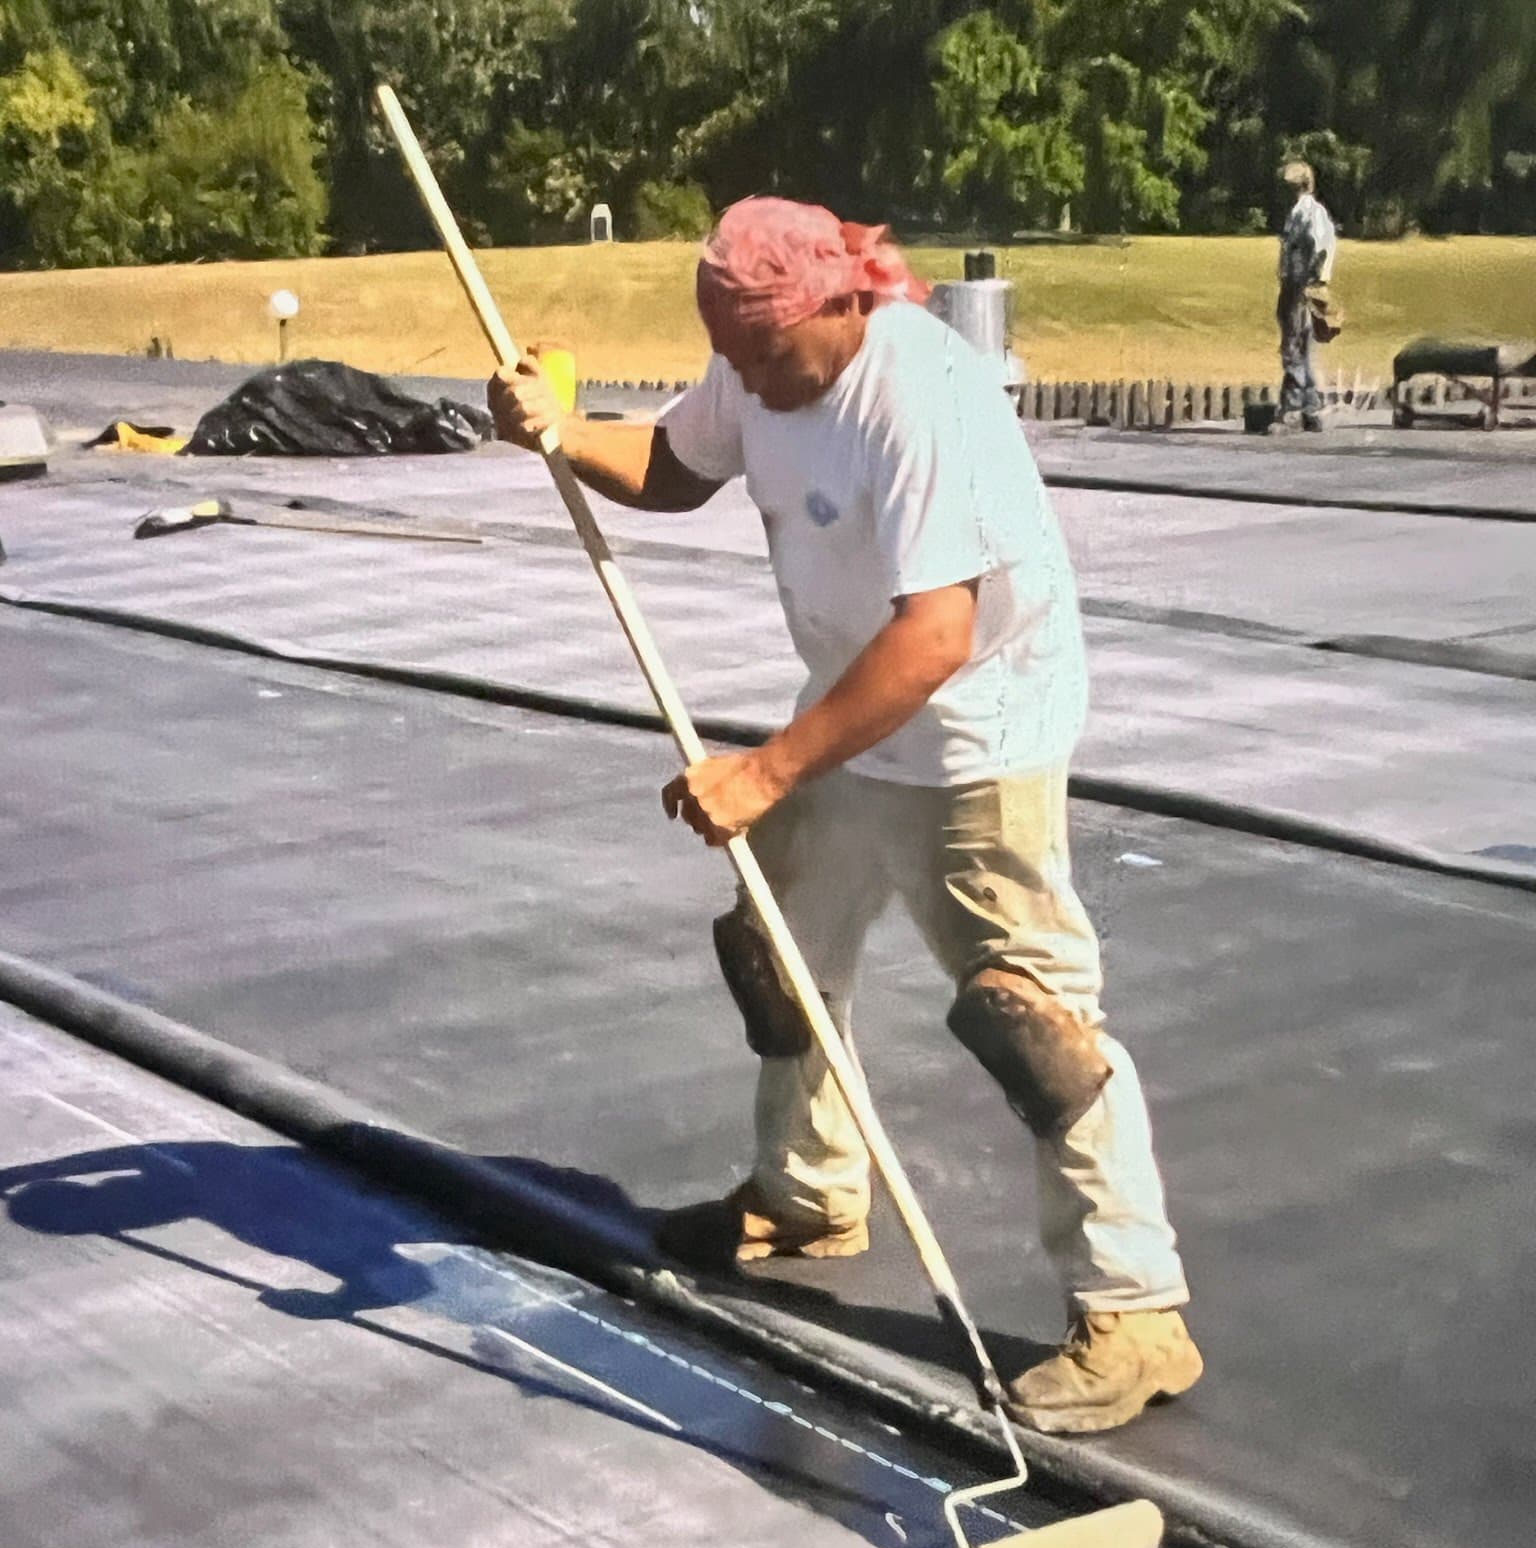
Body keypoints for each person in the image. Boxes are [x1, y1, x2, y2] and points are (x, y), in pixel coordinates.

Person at [487, 197, 1201, 1435]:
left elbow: (937, 636)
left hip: (980, 725)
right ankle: (811, 1191)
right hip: (850, 704)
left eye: (767, 353)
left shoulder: (920, 400)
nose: (751, 382)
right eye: (733, 355)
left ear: (841, 300)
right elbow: (672, 464)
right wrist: (560, 432)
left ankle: (1137, 1308)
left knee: (1029, 1015)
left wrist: (764, 771)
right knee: (781, 949)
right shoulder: (759, 362)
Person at [1277, 159, 1337, 431]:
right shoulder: (1308, 212)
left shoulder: (1307, 213)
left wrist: (1306, 279)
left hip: (1300, 286)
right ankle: (1312, 408)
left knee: (1293, 347)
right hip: (1305, 285)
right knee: (1303, 347)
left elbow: (1318, 246)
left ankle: (1292, 409)